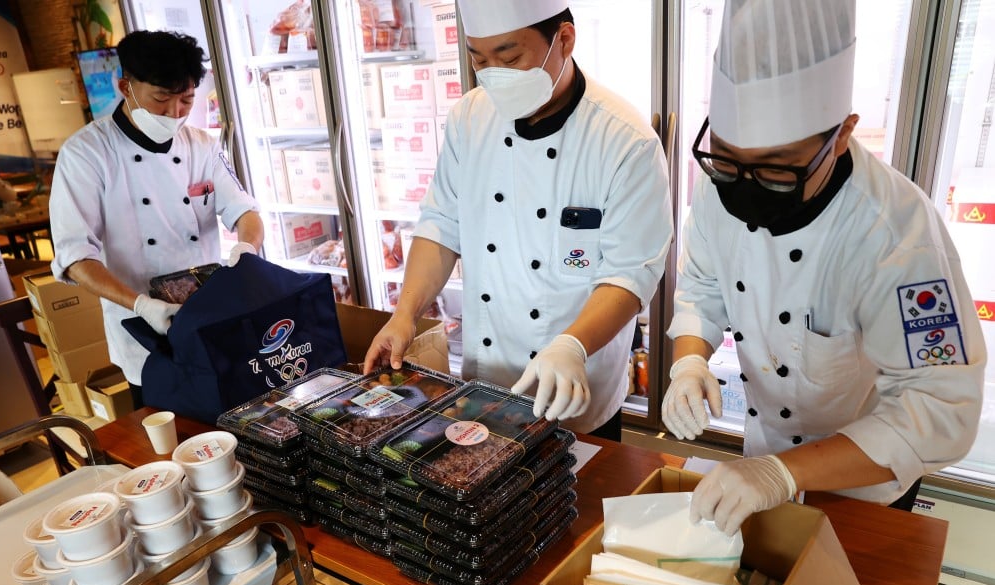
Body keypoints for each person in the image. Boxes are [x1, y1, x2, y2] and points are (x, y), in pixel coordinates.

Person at [662, 0, 986, 535]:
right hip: (761, 458)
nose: (743, 184)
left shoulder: (897, 236)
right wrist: (690, 363)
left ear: (842, 134)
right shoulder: (723, 183)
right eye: (724, 157)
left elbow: (942, 407)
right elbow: (702, 282)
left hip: (863, 487)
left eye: (775, 170)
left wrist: (781, 474)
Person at [363, 0, 674, 441]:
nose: (493, 75)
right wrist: (405, 314)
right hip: (483, 388)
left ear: (564, 40)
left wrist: (571, 345)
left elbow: (630, 274)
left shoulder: (625, 141)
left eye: (509, 59)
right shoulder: (469, 119)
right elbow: (441, 225)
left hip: (577, 392)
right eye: (479, 59)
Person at [50, 30, 264, 408]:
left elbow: (245, 211)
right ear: (125, 86)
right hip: (144, 328)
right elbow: (75, 255)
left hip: (209, 317)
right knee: (173, 439)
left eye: (186, 100)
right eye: (161, 98)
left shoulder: (201, 144)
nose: (174, 113)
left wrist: (246, 248)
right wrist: (140, 305)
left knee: (235, 418)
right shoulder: (86, 154)